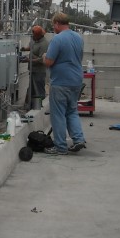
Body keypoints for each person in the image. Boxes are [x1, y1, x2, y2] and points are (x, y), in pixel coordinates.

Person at [42, 13, 87, 155]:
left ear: (56, 23)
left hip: (60, 82)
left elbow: (49, 61)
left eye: (53, 25)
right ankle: (78, 139)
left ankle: (60, 147)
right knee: (72, 111)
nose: (53, 28)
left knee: (58, 114)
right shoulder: (79, 38)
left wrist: (44, 56)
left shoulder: (57, 39)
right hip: (76, 80)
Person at [20, 25, 48, 107]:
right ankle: (28, 106)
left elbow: (42, 60)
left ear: (39, 35)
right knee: (31, 89)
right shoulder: (34, 39)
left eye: (34, 36)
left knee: (38, 90)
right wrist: (24, 49)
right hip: (32, 70)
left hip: (39, 72)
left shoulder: (44, 44)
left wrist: (29, 60)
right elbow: (32, 47)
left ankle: (38, 108)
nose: (32, 37)